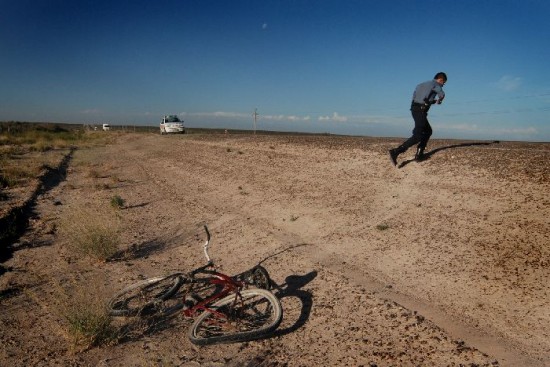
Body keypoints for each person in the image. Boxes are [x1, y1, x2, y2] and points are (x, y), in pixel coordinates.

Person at [389, 72, 447, 166]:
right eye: (443, 83)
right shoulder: (436, 84)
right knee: (418, 136)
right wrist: (440, 100)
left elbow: (419, 98)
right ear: (440, 80)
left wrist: (433, 101)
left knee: (428, 131)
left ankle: (419, 154)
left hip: (415, 109)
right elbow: (442, 94)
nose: (443, 85)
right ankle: (396, 152)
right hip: (420, 111)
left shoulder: (421, 85)